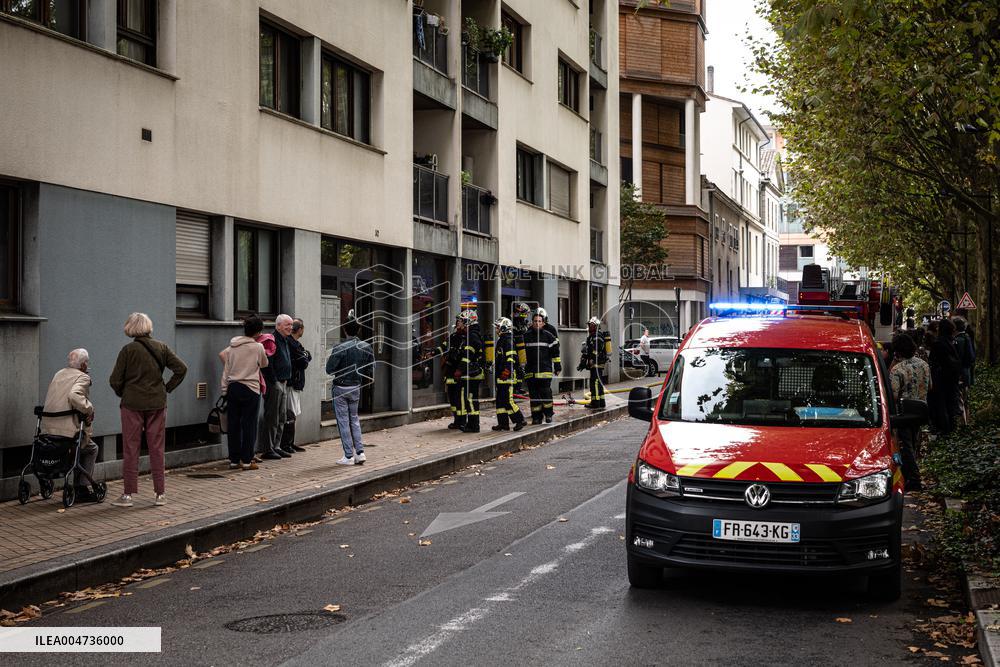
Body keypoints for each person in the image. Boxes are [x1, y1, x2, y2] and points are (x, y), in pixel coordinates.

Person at [109, 312, 187, 507]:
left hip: (131, 405)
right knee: (157, 448)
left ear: (130, 327)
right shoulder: (161, 348)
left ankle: (128, 495)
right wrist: (166, 388)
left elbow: (114, 380)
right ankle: (160, 494)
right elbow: (181, 368)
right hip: (157, 403)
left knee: (130, 448)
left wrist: (124, 393)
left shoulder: (128, 350)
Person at [41, 348, 100, 502]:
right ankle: (82, 488)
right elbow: (74, 396)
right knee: (91, 448)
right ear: (84, 364)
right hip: (67, 432)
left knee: (79, 447)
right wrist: (89, 408)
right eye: (87, 362)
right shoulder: (83, 377)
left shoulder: (58, 374)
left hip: (47, 428)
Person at [220, 315, 268, 471]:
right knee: (249, 425)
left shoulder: (233, 346)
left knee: (233, 424)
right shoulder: (257, 347)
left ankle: (234, 460)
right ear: (258, 332)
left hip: (233, 387)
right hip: (251, 388)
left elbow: (226, 368)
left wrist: (224, 389)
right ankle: (247, 460)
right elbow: (264, 363)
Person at [326, 317, 375, 465]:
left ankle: (348, 456)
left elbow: (329, 369)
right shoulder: (366, 347)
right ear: (358, 330)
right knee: (354, 419)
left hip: (340, 386)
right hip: (356, 386)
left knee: (343, 422)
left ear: (345, 330)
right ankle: (360, 452)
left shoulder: (339, 348)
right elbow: (370, 369)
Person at [889, 333, 930, 491]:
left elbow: (892, 393)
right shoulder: (924, 365)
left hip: (904, 412)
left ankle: (914, 478)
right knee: (914, 442)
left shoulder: (897, 369)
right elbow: (930, 386)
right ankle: (911, 473)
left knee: (906, 445)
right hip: (922, 408)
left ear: (897, 350)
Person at [258, 314, 293, 460]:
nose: (290, 327)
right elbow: (267, 364)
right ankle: (268, 448)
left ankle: (277, 446)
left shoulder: (285, 340)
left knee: (282, 416)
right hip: (276, 383)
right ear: (278, 326)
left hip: (284, 382)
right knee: (272, 416)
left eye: (291, 325)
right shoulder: (272, 340)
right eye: (287, 325)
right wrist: (274, 382)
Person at [523, 312, 560, 424]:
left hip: (545, 371)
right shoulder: (526, 336)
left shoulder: (549, 336)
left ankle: (548, 415)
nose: (537, 323)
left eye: (539, 321)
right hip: (531, 372)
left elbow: (555, 353)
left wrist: (557, 366)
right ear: (532, 323)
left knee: (546, 394)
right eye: (535, 321)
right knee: (534, 396)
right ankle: (536, 417)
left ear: (543, 323)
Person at [281, 318, 311, 454]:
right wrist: (305, 355)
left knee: (293, 414)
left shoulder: (295, 344)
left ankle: (290, 442)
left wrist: (305, 355)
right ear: (300, 329)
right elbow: (303, 362)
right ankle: (286, 444)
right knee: (290, 414)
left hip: (296, 383)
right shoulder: (291, 344)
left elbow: (307, 356)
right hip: (292, 382)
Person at [928, 318, 962, 434]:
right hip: (953, 376)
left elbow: (932, 360)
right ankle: (952, 426)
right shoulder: (954, 341)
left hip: (940, 377)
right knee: (951, 400)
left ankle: (943, 428)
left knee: (940, 402)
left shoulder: (938, 343)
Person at [454, 310, 486, 433]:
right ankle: (472, 423)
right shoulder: (472, 334)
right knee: (471, 400)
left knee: (471, 400)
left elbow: (468, 356)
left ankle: (473, 425)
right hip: (472, 373)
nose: (459, 323)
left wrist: (459, 370)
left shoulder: (472, 336)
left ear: (468, 321)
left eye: (461, 321)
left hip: (472, 374)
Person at [492, 317, 526, 432]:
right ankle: (503, 424)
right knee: (500, 401)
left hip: (507, 377)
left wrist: (506, 371)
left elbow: (511, 358)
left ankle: (520, 420)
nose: (496, 329)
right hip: (501, 377)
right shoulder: (502, 339)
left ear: (503, 328)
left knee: (508, 400)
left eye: (498, 327)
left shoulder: (508, 340)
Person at [437, 317, 467, 430]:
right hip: (450, 372)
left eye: (460, 322)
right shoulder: (453, 337)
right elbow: (443, 347)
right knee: (452, 398)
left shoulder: (467, 338)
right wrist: (433, 352)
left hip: (460, 371)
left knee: (460, 398)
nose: (458, 323)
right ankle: (456, 420)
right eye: (457, 322)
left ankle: (462, 421)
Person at [578, 317, 612, 409]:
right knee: (598, 382)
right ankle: (601, 402)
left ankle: (595, 402)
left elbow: (597, 349)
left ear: (596, 326)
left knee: (595, 382)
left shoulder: (597, 336)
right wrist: (583, 363)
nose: (589, 327)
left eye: (591, 325)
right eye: (589, 325)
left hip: (597, 363)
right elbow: (587, 351)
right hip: (595, 363)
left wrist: (592, 359)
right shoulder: (592, 336)